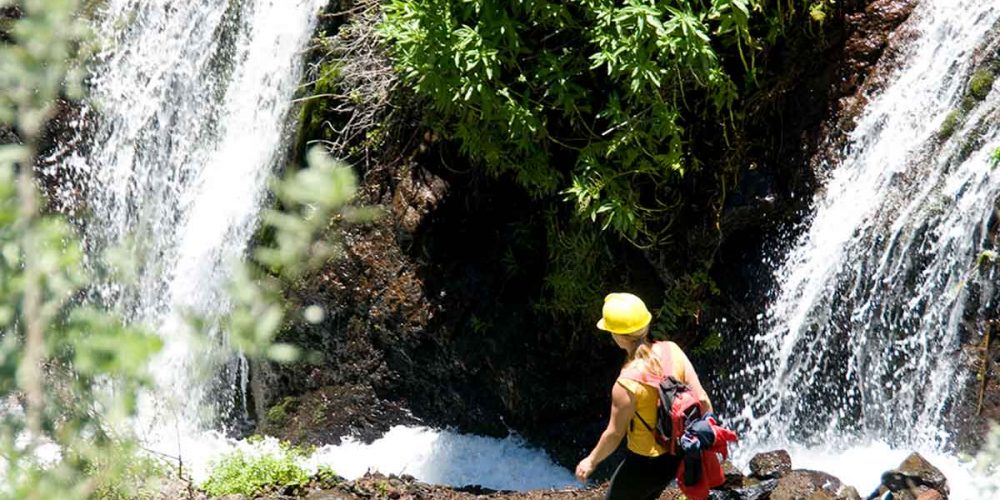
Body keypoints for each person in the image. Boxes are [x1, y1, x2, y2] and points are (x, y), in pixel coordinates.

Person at [575, 292, 714, 500]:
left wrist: (591, 461)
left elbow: (614, 433)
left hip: (645, 462)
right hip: (679, 453)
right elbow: (702, 399)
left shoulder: (627, 383)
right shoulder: (672, 350)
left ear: (618, 336)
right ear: (646, 325)